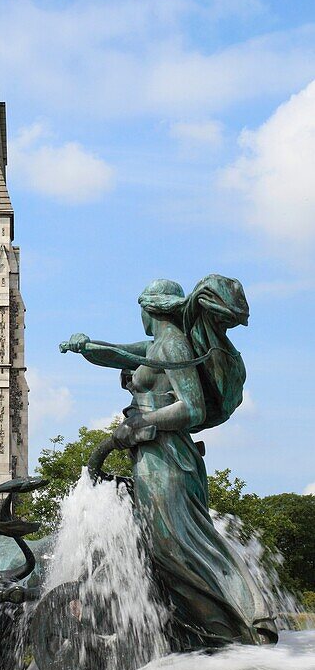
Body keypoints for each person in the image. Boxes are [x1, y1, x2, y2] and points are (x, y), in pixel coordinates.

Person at [64, 276, 277, 648]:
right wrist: (87, 347)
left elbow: (191, 408)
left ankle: (240, 626)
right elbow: (121, 353)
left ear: (151, 310)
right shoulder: (159, 345)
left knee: (177, 546)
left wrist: (143, 422)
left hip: (168, 458)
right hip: (156, 456)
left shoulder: (172, 346)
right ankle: (199, 630)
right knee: (168, 545)